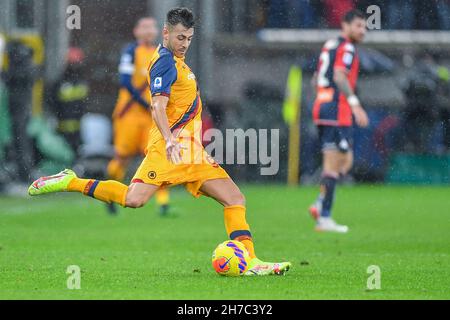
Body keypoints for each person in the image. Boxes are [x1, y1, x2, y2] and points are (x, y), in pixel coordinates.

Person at [28, 7, 291, 276]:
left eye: (188, 38)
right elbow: (157, 106)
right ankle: (70, 181)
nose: (185, 44)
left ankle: (251, 260)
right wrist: (169, 140)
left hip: (193, 153)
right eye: (180, 38)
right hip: (170, 150)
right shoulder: (164, 62)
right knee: (134, 199)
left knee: (235, 198)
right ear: (166, 33)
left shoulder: (179, 62)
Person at [309, 9, 369, 233]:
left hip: (322, 106)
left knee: (342, 161)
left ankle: (320, 204)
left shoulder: (330, 45)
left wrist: (323, 96)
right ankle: (324, 216)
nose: (362, 31)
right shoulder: (347, 48)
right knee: (336, 163)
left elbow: (317, 78)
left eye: (364, 27)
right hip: (336, 110)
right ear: (345, 25)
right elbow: (339, 75)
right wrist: (354, 102)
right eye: (358, 26)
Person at [107, 17, 171, 215]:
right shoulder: (130, 51)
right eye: (144, 27)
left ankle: (163, 203)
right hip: (129, 114)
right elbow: (125, 81)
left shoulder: (162, 54)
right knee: (122, 157)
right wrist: (145, 104)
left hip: (150, 116)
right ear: (136, 31)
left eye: (152, 27)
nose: (148, 30)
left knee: (156, 156)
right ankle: (109, 195)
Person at [48, 47, 89, 154]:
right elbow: (52, 100)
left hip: (77, 128)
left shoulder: (81, 82)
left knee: (73, 153)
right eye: (72, 63)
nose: (75, 66)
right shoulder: (61, 82)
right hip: (62, 127)